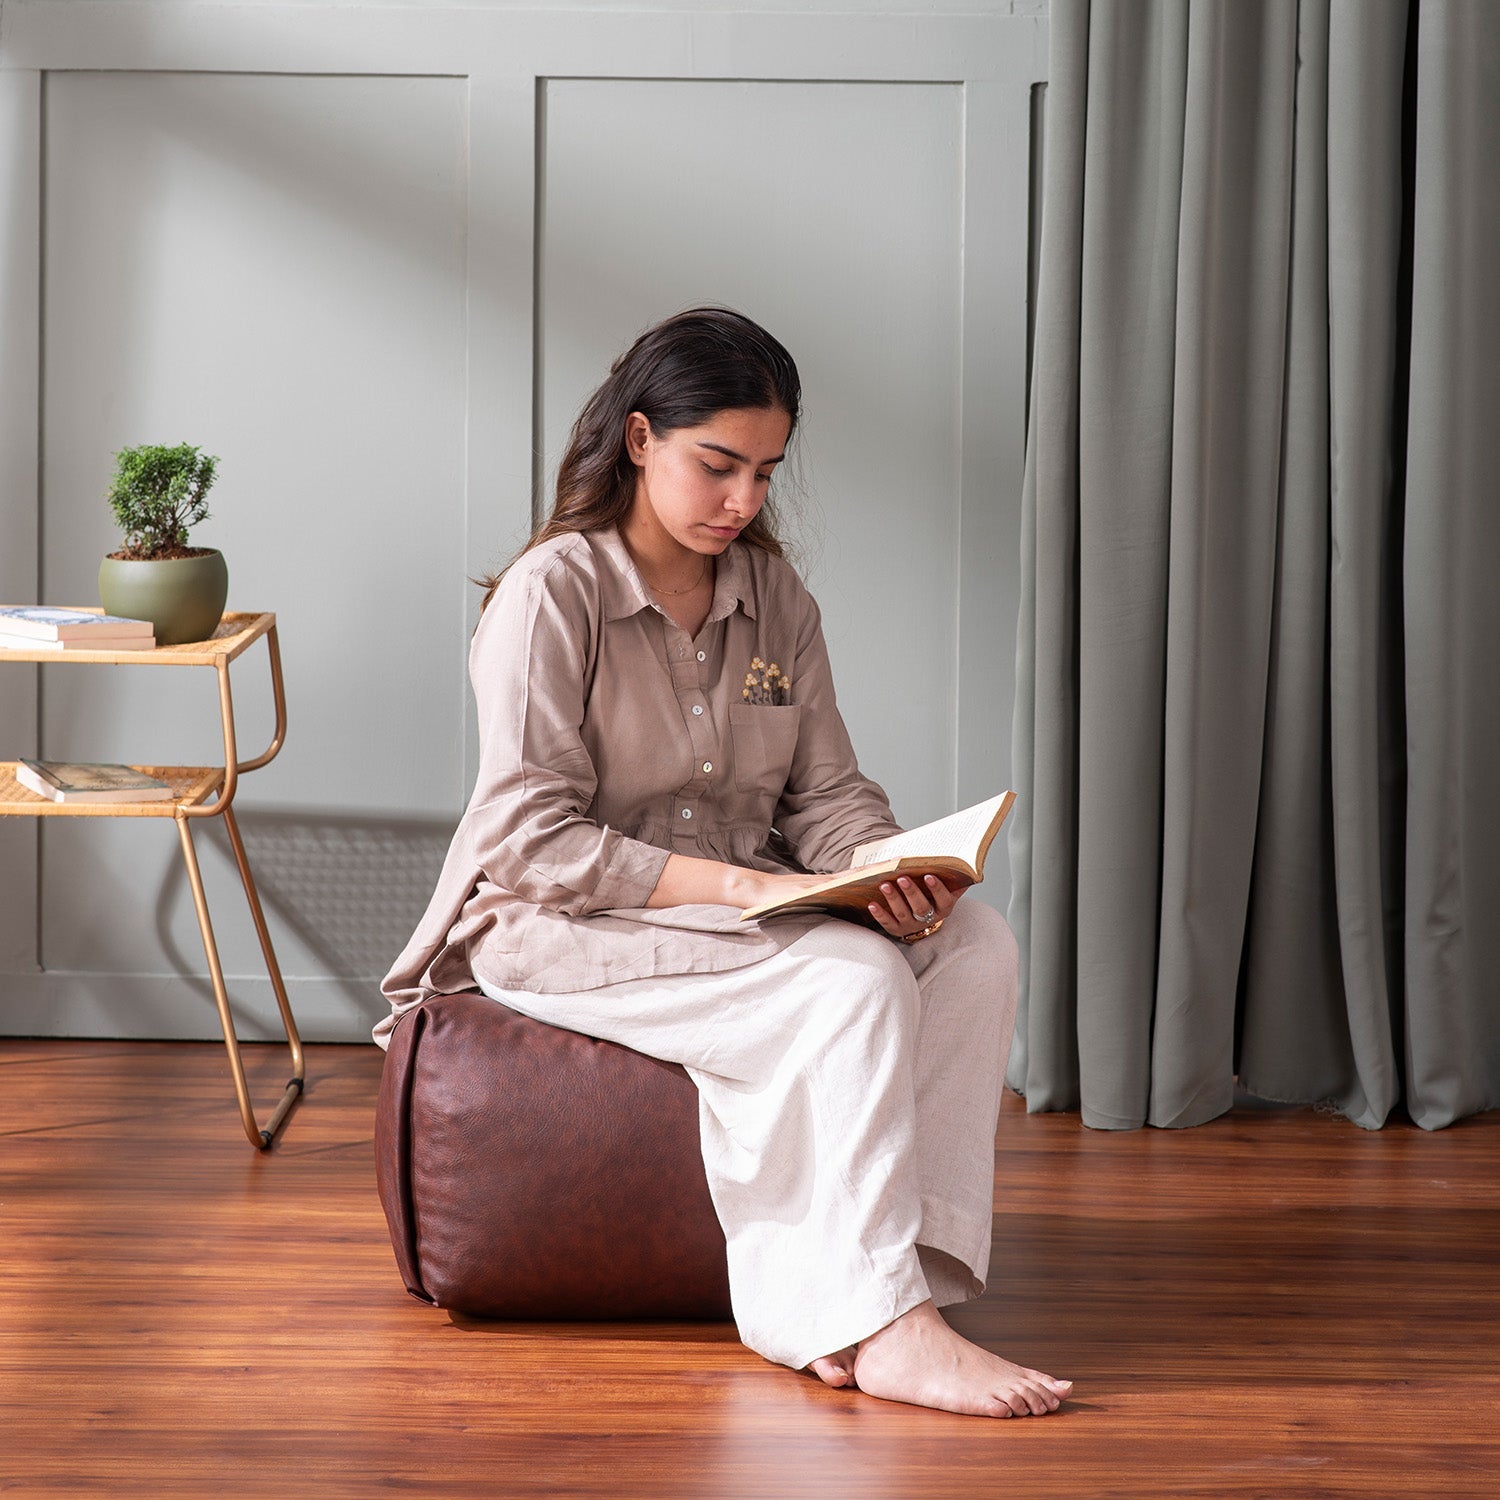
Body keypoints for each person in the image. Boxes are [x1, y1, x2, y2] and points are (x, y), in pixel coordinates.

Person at [378, 307, 1072, 1419]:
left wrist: (886, 873)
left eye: (764, 472)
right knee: (849, 982)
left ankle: (910, 1279)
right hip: (561, 924)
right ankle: (876, 1324)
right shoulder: (553, 593)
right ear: (641, 438)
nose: (743, 501)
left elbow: (830, 792)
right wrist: (755, 889)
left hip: (738, 918)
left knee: (976, 946)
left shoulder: (774, 600)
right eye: (718, 465)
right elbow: (528, 837)